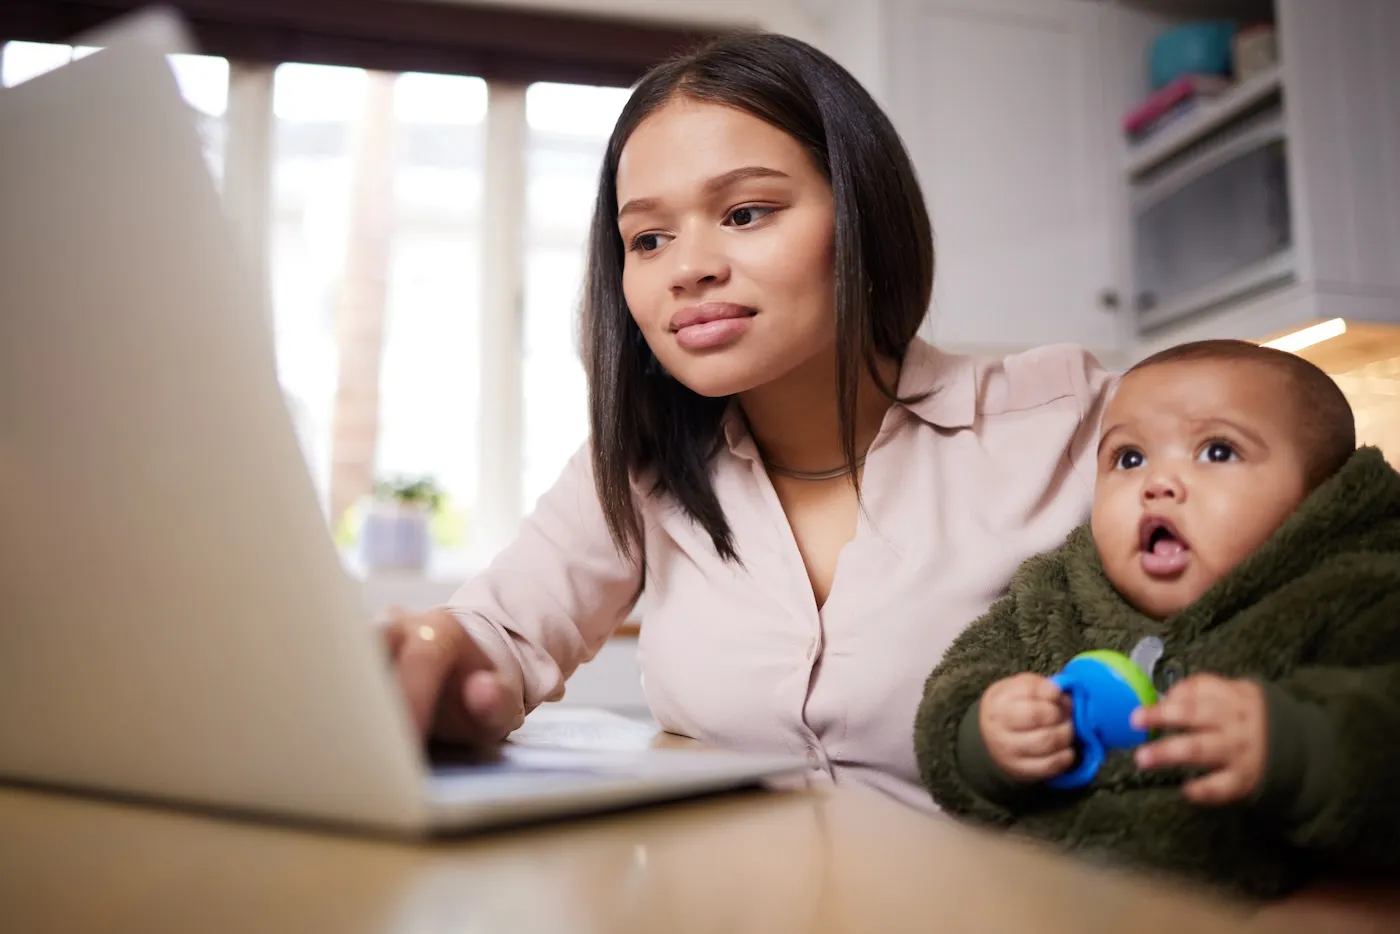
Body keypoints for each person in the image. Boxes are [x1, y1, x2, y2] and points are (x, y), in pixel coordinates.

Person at [381, 31, 1113, 812]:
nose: (688, 268)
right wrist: (437, 662)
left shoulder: (1070, 421)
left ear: (861, 210)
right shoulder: (641, 464)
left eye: (745, 212)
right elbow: (501, 632)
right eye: (648, 238)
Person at [914, 339, 1400, 899]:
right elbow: (954, 691)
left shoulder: (1357, 589)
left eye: (1217, 452)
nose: (1157, 484)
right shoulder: (1056, 594)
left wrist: (1300, 747)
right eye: (1129, 458)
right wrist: (985, 737)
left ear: (1321, 495)